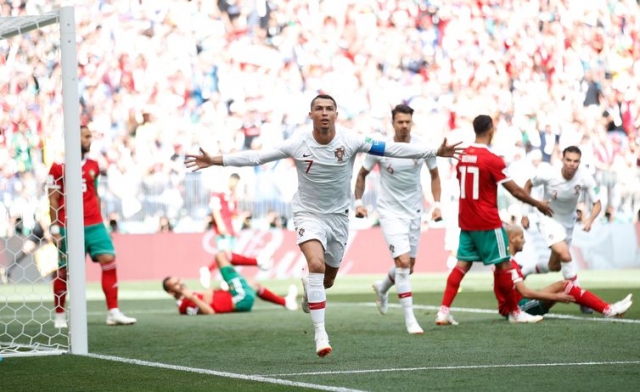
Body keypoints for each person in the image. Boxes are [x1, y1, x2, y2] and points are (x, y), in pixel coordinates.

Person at [184, 94, 464, 357]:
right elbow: (258, 157)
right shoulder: (298, 143)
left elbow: (391, 149)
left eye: (329, 108)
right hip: (308, 214)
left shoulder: (352, 140)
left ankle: (312, 289)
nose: (325, 113)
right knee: (316, 266)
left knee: (327, 280)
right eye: (319, 108)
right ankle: (321, 335)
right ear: (311, 114)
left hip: (339, 217)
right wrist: (215, 161)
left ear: (336, 115)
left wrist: (435, 151)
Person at [435, 114, 554, 326]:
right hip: (487, 221)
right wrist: (538, 204)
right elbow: (516, 191)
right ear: (490, 129)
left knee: (461, 265)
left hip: (467, 221)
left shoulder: (463, 157)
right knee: (504, 265)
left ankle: (443, 311)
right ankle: (515, 313)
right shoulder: (492, 159)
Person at [354, 103, 442, 335]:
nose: (404, 126)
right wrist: (358, 202)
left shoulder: (422, 146)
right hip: (389, 212)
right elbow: (362, 174)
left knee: (408, 266)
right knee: (402, 264)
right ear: (392, 123)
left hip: (414, 211)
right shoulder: (380, 147)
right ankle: (411, 320)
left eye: (407, 122)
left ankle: (382, 288)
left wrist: (437, 204)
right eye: (400, 122)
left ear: (412, 123)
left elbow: (435, 174)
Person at [47, 125, 136, 328]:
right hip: (68, 225)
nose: (90, 140)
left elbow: (94, 195)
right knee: (65, 270)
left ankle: (113, 312)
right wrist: (54, 228)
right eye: (86, 136)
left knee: (109, 258)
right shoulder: (58, 167)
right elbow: (53, 199)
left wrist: (102, 224)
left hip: (94, 223)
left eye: (90, 136)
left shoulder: (93, 165)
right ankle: (60, 315)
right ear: (74, 138)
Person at [520, 146, 601, 313]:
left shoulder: (585, 177)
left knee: (555, 266)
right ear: (562, 160)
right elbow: (527, 185)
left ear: (580, 162)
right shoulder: (549, 174)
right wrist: (525, 213)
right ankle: (581, 299)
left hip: (568, 223)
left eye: (576, 161)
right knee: (565, 254)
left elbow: (597, 203)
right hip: (547, 218)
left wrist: (590, 220)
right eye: (569, 160)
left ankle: (527, 269)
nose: (572, 164)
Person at [496, 225, 632, 318]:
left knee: (564, 285)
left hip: (522, 303)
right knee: (562, 287)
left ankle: (608, 308)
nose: (524, 241)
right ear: (512, 239)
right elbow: (524, 292)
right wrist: (556, 297)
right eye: (521, 237)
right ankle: (608, 309)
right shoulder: (509, 264)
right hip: (518, 309)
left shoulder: (508, 261)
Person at [199, 172, 272, 290]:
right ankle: (207, 270)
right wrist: (221, 225)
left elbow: (231, 212)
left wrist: (241, 216)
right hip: (224, 229)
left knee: (228, 256)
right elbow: (215, 210)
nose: (236, 185)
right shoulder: (218, 193)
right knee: (225, 254)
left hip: (231, 229)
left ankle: (226, 279)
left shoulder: (231, 195)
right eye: (236, 183)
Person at [162, 255, 298, 315]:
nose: (181, 283)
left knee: (253, 283)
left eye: (179, 280)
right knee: (221, 256)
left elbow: (208, 299)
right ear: (171, 292)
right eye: (176, 284)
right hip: (239, 299)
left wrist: (211, 290)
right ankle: (259, 261)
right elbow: (209, 311)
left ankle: (285, 302)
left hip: (236, 296)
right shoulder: (184, 305)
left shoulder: (190, 296)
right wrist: (193, 297)